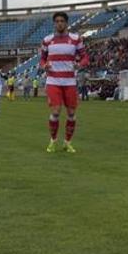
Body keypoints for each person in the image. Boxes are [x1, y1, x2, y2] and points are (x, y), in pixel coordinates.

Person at [41, 12, 88, 153]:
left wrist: (80, 64)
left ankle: (67, 142)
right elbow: (42, 59)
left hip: (69, 82)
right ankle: (53, 140)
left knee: (72, 113)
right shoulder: (47, 40)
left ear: (66, 23)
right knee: (55, 112)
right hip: (53, 81)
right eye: (57, 21)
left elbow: (85, 56)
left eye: (62, 21)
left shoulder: (75, 39)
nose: (59, 23)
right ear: (54, 23)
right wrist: (44, 66)